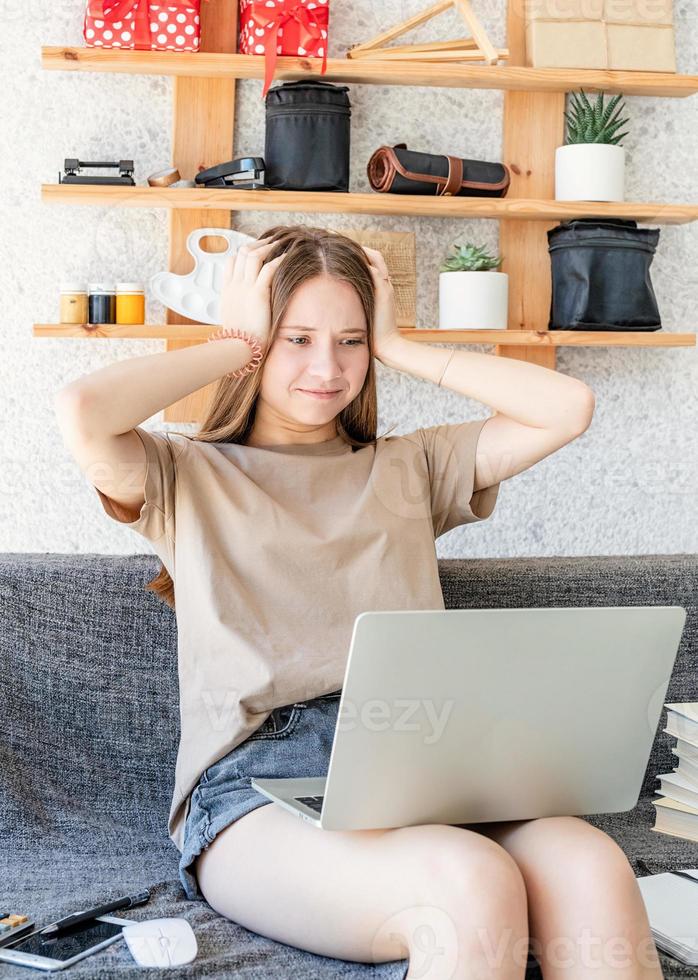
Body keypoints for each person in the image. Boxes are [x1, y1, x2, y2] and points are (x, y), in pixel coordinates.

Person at [54, 225, 661, 980]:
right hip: (257, 789)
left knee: (590, 863)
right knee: (467, 881)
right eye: (295, 338)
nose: (326, 366)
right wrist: (235, 339)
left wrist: (400, 345)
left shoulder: (412, 466)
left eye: (350, 341)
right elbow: (83, 409)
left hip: (427, 765)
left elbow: (567, 406)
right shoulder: (183, 475)